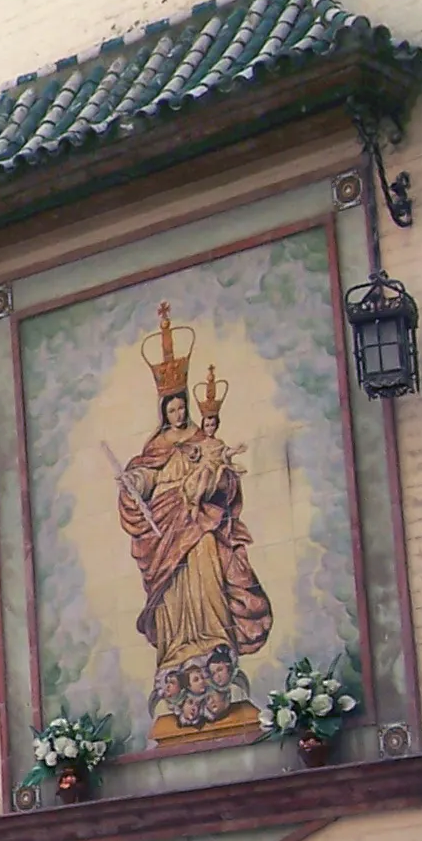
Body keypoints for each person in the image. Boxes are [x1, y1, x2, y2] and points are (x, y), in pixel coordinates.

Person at [114, 309, 272, 743]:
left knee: (208, 583)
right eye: (174, 407)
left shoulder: (206, 443)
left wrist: (210, 480)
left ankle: (215, 648)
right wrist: (135, 482)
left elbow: (226, 481)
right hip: (166, 533)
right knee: (174, 595)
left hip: (199, 529)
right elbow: (144, 477)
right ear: (164, 410)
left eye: (183, 405)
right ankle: (180, 657)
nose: (180, 412)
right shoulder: (155, 448)